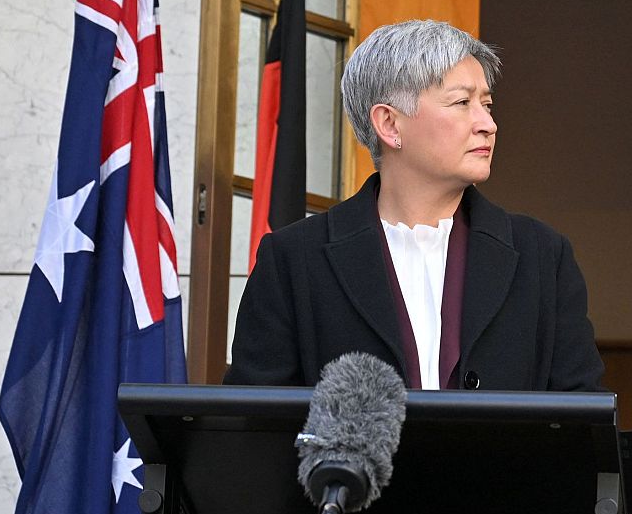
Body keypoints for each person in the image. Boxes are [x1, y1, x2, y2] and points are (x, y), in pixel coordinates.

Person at [226, 19, 604, 391]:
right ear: (389, 124)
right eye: (461, 102)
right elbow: (254, 426)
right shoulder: (294, 260)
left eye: (487, 104)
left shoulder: (542, 255)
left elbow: (583, 419)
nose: (488, 123)